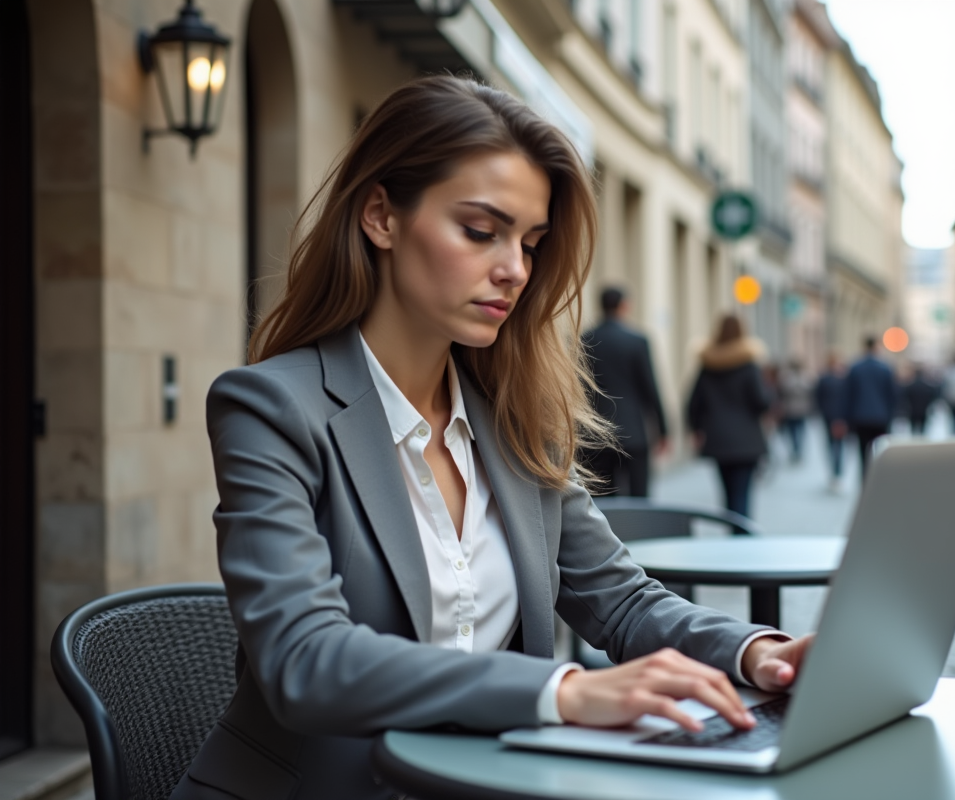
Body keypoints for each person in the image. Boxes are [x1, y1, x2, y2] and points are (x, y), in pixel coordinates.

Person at [173, 77, 813, 800]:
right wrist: (564, 691)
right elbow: (305, 660)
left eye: (531, 242)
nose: (514, 268)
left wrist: (763, 653)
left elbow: (621, 601)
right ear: (380, 216)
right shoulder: (272, 407)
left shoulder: (510, 415)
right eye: (481, 231)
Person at [581, 287, 669, 497]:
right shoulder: (637, 341)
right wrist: (663, 430)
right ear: (624, 306)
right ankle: (638, 530)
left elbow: (580, 389)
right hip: (633, 433)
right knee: (639, 497)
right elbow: (650, 388)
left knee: (602, 499)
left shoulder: (585, 340)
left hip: (597, 432)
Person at [687, 314, 772, 518]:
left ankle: (732, 530)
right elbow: (762, 401)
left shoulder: (708, 365)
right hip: (747, 440)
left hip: (718, 439)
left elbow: (693, 403)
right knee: (743, 493)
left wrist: (696, 429)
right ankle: (742, 537)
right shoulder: (749, 365)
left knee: (727, 494)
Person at [844, 336, 896, 479]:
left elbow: (848, 395)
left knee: (863, 452)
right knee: (881, 451)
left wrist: (848, 418)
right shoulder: (885, 368)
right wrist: (890, 414)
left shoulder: (855, 368)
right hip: (881, 417)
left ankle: (865, 478)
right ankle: (879, 478)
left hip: (860, 417)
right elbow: (892, 395)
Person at [815, 353, 847, 491]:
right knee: (839, 445)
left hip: (829, 416)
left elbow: (818, 398)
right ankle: (837, 473)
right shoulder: (842, 379)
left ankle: (835, 473)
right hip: (839, 416)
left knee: (832, 445)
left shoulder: (824, 378)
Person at [775, 359, 814, 463]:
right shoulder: (805, 378)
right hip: (799, 409)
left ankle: (796, 450)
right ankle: (798, 450)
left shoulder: (787, 378)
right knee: (799, 431)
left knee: (793, 431)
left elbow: (781, 392)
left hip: (791, 409)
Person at [902, 364, 940, 436]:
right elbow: (933, 396)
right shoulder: (927, 386)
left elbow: (905, 397)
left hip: (912, 410)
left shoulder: (910, 386)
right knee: (923, 428)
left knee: (913, 428)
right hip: (923, 410)